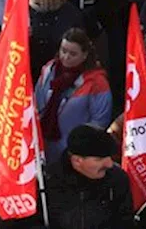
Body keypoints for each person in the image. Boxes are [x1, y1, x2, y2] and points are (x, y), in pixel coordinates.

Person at [35, 27, 112, 164]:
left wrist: (81, 146)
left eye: (73, 54)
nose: (66, 57)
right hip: (44, 145)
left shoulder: (97, 82)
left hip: (75, 153)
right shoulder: (48, 70)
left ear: (85, 55)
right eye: (63, 50)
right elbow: (36, 104)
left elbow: (100, 122)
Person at [43, 125, 135, 229]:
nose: (109, 164)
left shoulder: (117, 178)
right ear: (77, 161)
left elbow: (126, 221)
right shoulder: (47, 182)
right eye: (99, 159)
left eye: (109, 157)